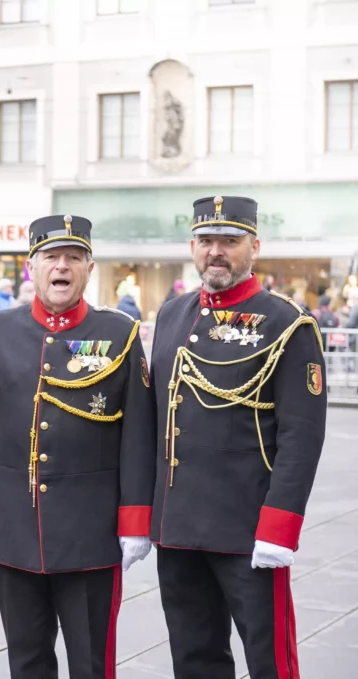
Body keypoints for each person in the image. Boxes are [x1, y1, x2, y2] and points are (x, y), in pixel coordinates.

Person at [0, 214, 156, 679]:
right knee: (26, 661)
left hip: (91, 536)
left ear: (89, 269)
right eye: (50, 256)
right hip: (13, 529)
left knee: (91, 664)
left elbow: (139, 434)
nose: (61, 266)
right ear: (32, 267)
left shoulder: (120, 335)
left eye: (73, 257)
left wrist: (135, 521)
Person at [148, 196, 327, 679]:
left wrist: (280, 527)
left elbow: (302, 435)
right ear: (192, 246)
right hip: (178, 528)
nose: (217, 252)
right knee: (194, 658)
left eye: (230, 241)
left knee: (269, 660)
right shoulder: (172, 315)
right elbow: (156, 419)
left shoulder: (286, 323)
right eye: (207, 241)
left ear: (254, 247)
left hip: (248, 530)